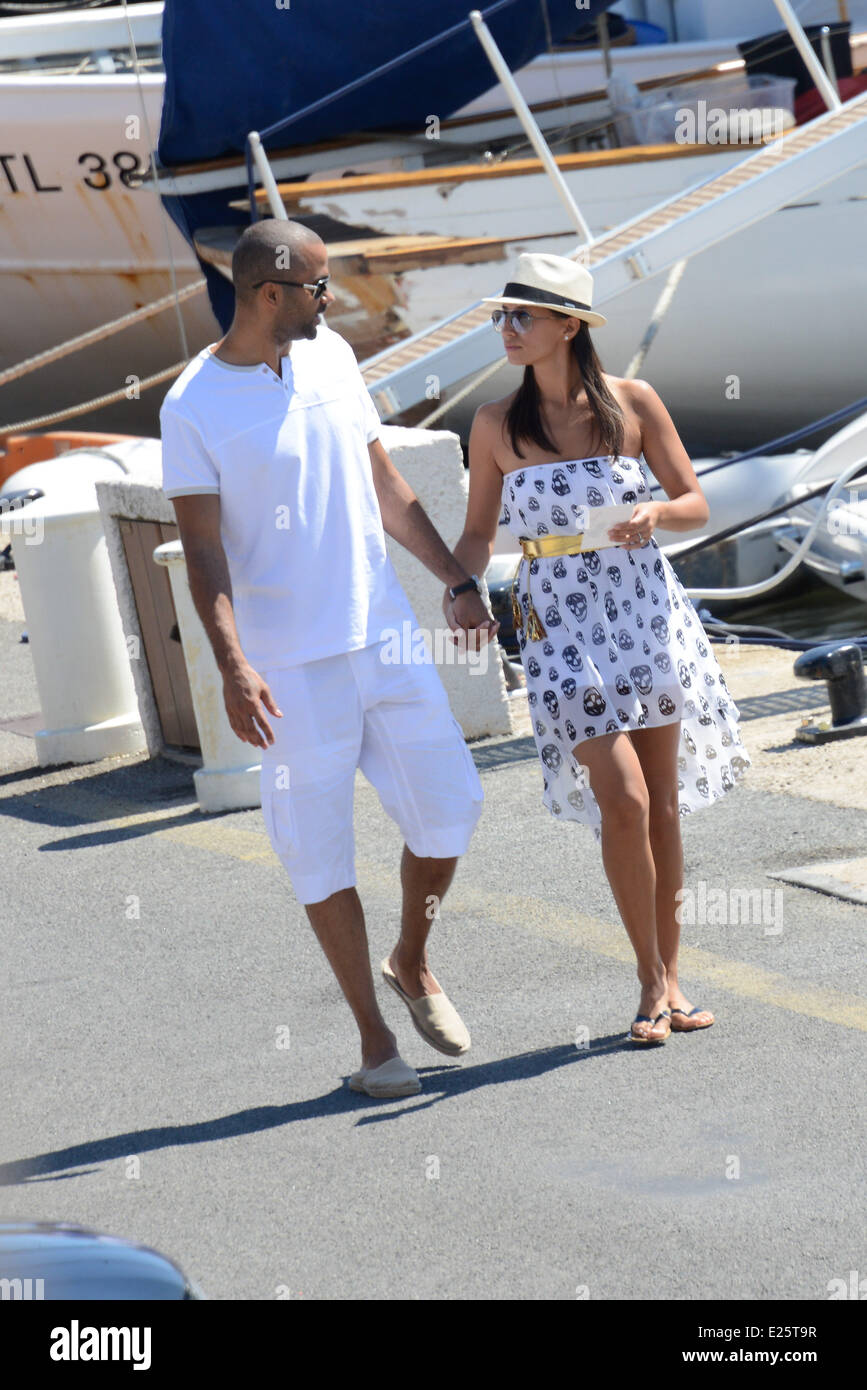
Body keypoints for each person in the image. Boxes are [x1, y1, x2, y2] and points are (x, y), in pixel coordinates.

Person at [159, 219, 499, 1097]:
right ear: (270, 294)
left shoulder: (334, 361)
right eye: (317, 286)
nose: (331, 298)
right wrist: (234, 665)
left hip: (381, 635)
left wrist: (456, 580)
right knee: (319, 854)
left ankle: (411, 957)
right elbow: (202, 553)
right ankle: (374, 1043)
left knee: (450, 811)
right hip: (288, 668)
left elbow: (387, 486)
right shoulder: (193, 405)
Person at [444, 252, 751, 1044]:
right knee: (623, 801)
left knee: (662, 810)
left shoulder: (632, 403)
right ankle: (648, 981)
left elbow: (695, 502)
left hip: (643, 612)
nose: (505, 330)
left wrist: (656, 515)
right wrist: (460, 587)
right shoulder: (492, 424)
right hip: (558, 625)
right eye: (499, 317)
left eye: (522, 317)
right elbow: (478, 534)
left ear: (568, 325)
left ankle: (673, 980)